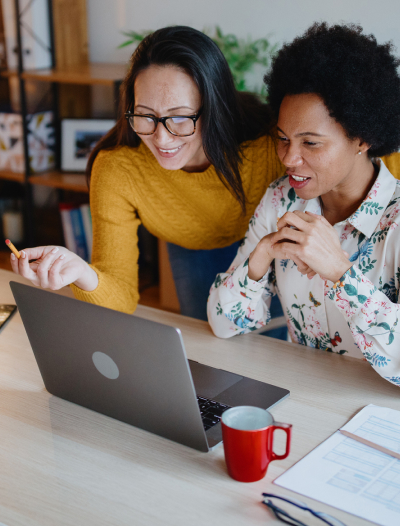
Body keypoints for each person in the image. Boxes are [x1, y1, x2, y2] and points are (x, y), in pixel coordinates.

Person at [9, 26, 287, 336]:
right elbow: (121, 298)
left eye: (180, 117)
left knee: (270, 347)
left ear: (214, 108)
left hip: (263, 243)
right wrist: (82, 272)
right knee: (207, 343)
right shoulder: (118, 169)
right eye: (145, 115)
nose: (161, 138)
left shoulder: (268, 146)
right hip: (190, 244)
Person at [208, 22, 400, 386]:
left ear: (362, 138)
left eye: (310, 143)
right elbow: (223, 325)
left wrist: (341, 274)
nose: (289, 158)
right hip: (302, 403)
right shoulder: (281, 199)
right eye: (282, 138)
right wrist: (261, 254)